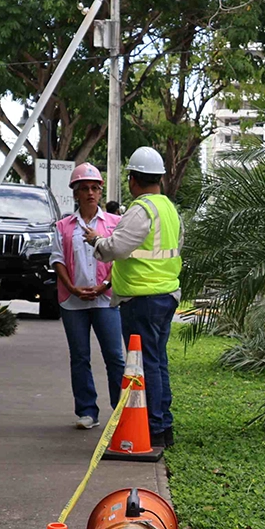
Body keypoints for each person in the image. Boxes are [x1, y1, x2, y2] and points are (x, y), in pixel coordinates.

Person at [84, 147, 182, 448]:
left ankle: (152, 427)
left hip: (142, 299)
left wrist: (96, 241)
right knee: (157, 360)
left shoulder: (141, 210)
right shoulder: (168, 208)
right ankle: (163, 425)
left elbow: (117, 248)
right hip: (165, 294)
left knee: (146, 363)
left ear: (134, 180)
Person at [50, 163, 125, 429]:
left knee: (114, 356)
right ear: (76, 193)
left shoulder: (114, 223)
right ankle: (86, 411)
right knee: (80, 356)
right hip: (73, 302)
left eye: (95, 188)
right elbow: (57, 260)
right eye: (85, 189)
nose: (91, 193)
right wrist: (71, 288)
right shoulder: (64, 226)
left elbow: (120, 260)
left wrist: (104, 285)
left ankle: (120, 411)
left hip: (106, 300)